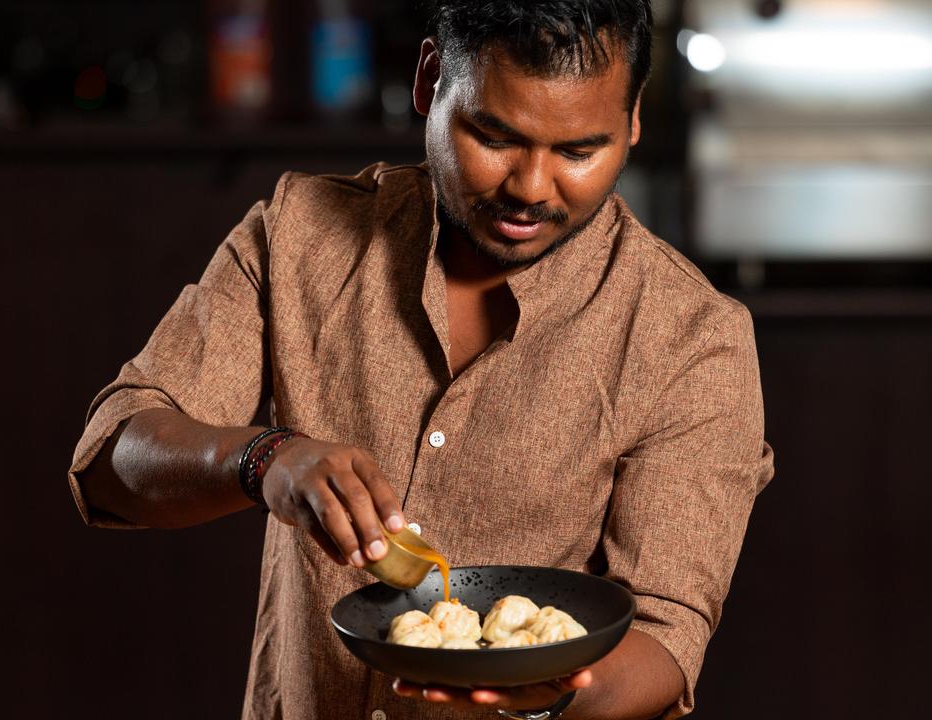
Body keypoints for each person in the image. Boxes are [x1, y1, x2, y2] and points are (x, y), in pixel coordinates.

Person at [68, 1, 774, 718]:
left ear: (631, 126)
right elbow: (111, 457)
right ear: (430, 79)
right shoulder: (299, 235)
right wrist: (265, 459)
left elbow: (666, 636)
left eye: (578, 152)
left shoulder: (691, 337)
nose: (531, 187)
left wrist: (545, 698)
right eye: (495, 136)